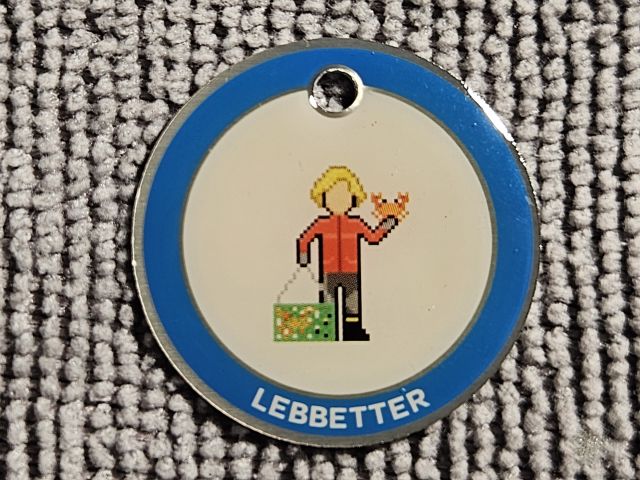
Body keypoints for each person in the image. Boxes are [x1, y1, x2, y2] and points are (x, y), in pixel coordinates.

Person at [297, 166, 399, 341]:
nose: (338, 201)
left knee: (352, 304)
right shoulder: (322, 224)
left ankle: (352, 331)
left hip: (351, 271)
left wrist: (385, 226)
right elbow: (304, 239)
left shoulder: (355, 223)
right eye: (332, 196)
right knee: (328, 302)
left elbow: (373, 237)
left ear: (353, 198)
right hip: (328, 271)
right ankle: (326, 331)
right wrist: (303, 256)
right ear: (323, 198)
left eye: (345, 196)